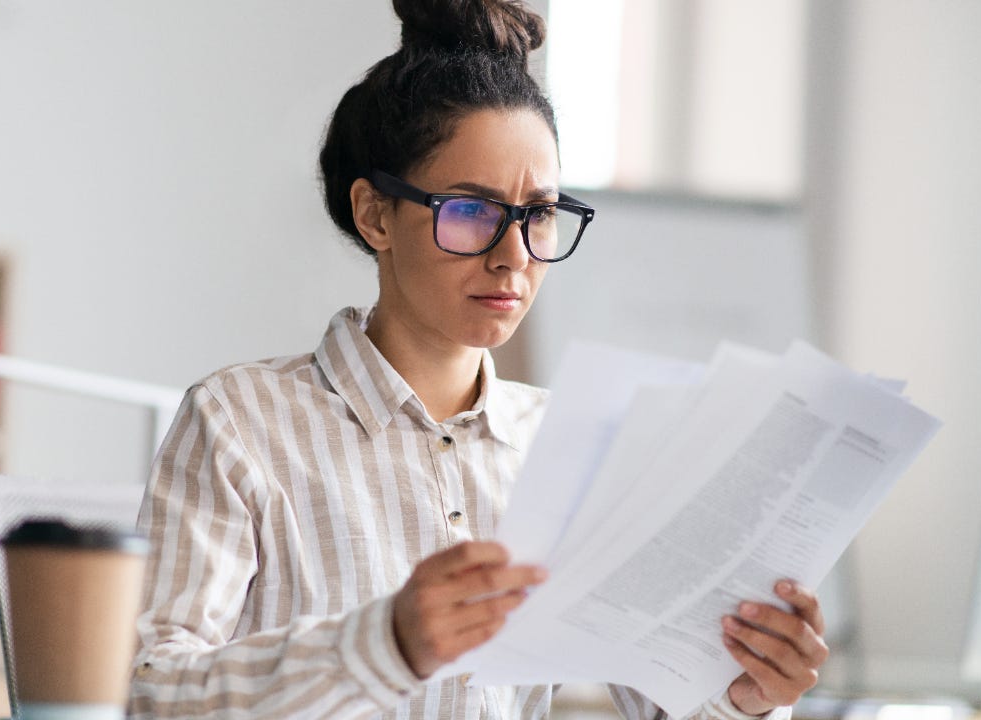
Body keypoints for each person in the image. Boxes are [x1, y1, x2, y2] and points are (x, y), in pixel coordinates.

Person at [128, 1, 829, 718]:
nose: (513, 257)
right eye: (471, 210)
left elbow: (659, 704)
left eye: (540, 214)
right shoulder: (241, 421)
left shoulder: (571, 442)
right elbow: (145, 691)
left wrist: (743, 699)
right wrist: (384, 644)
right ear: (375, 215)